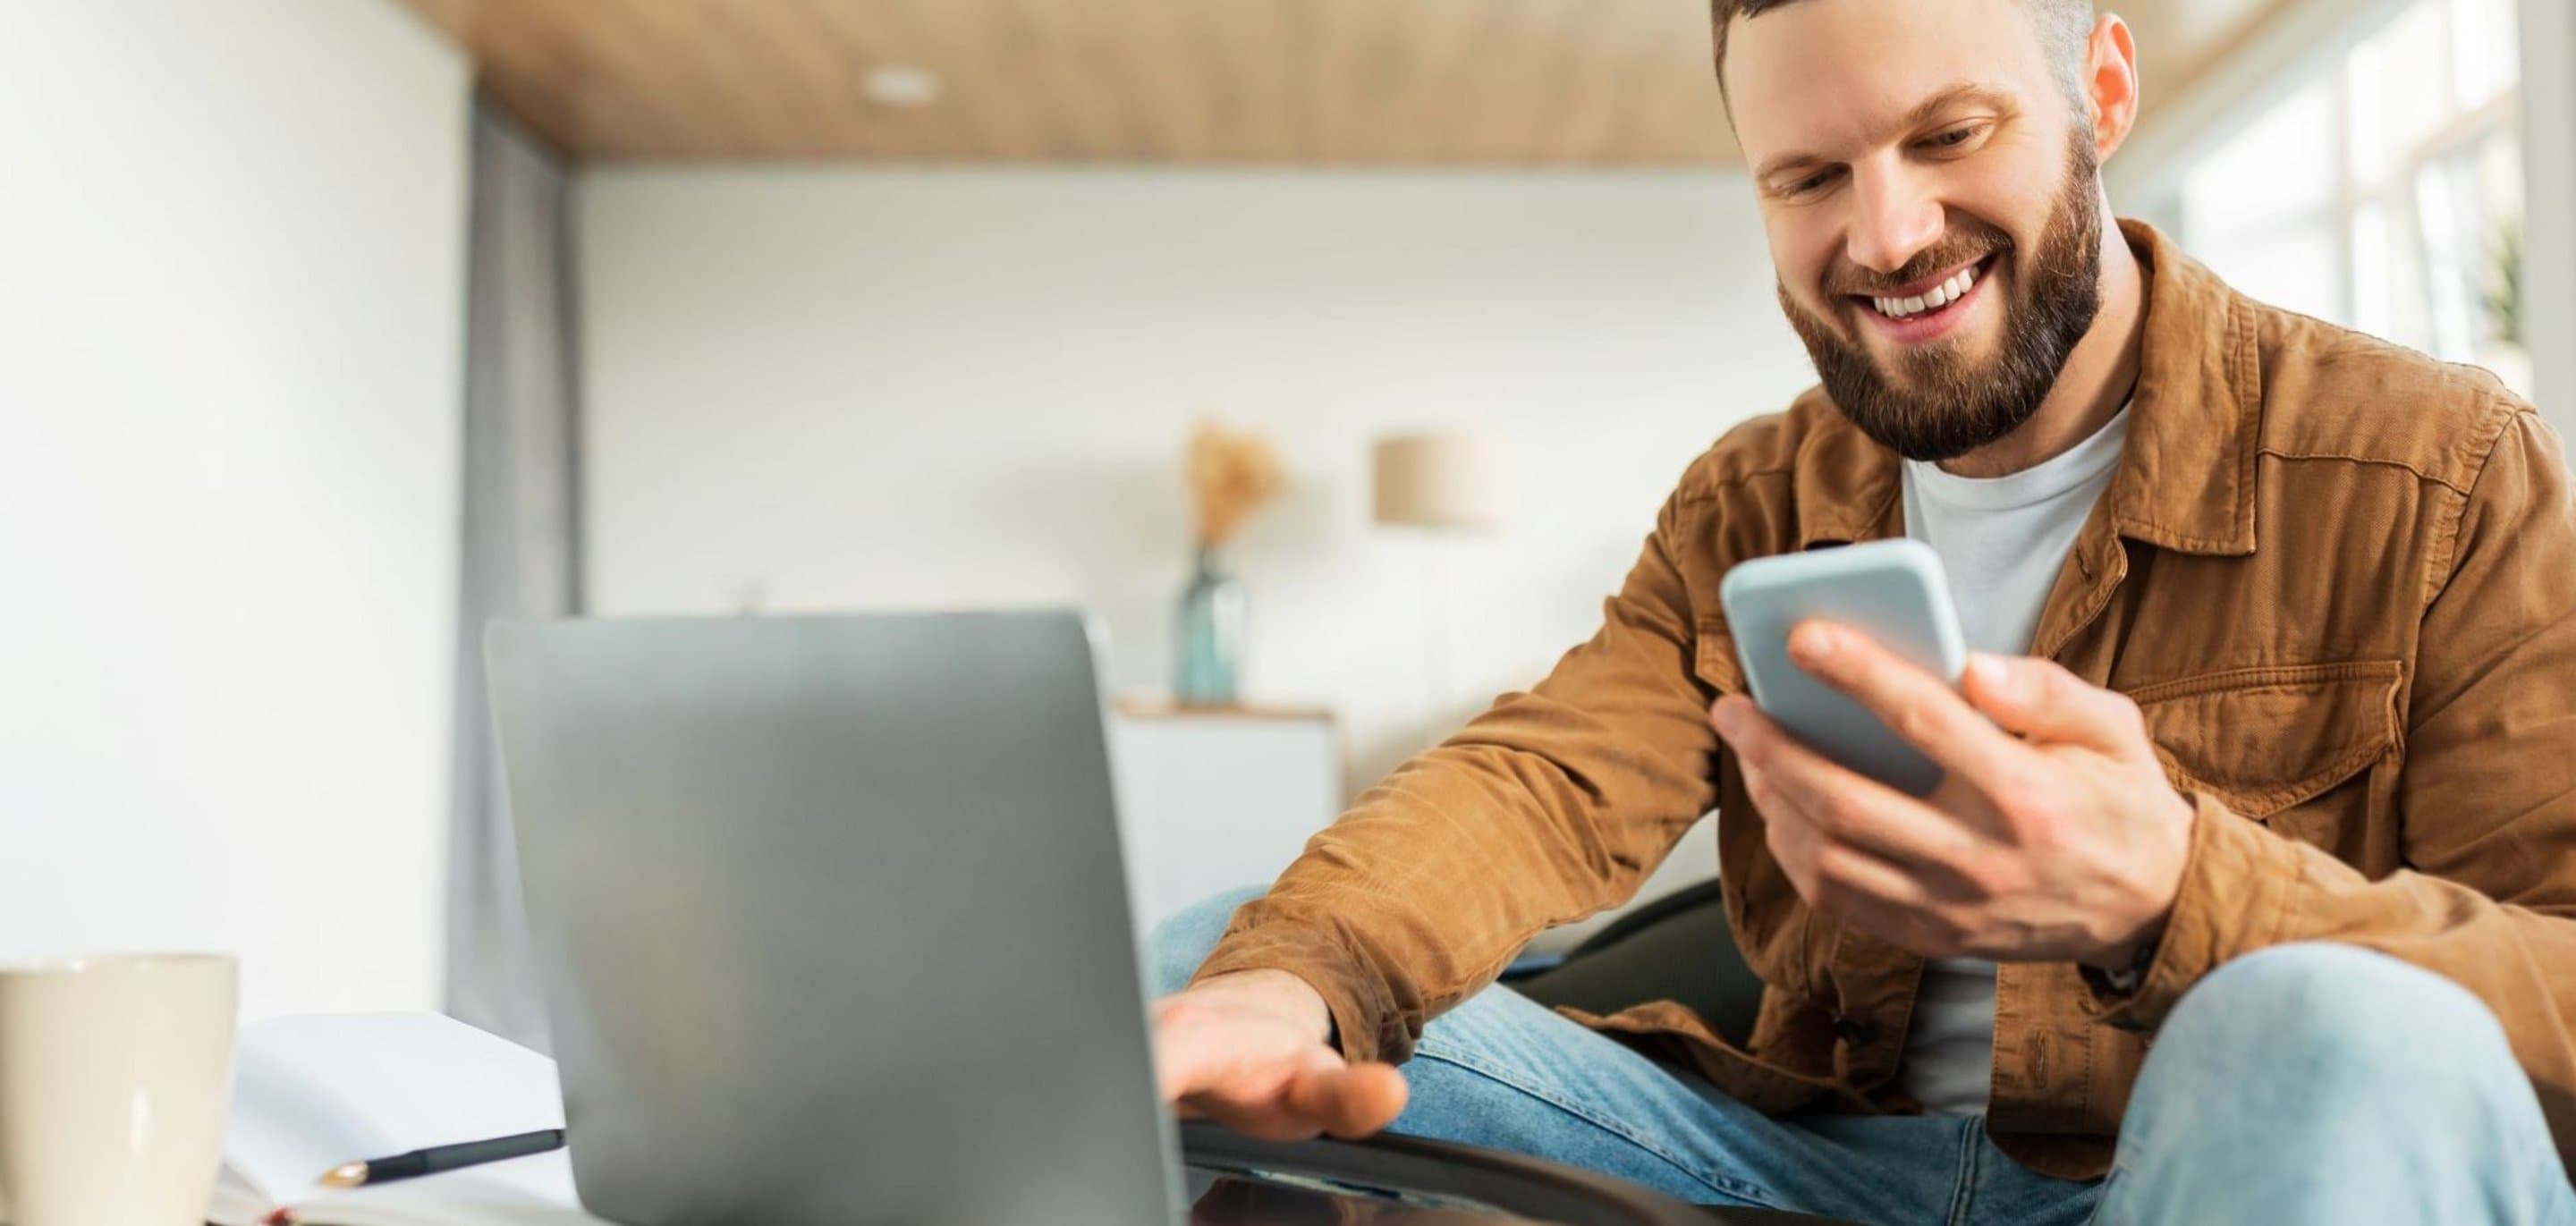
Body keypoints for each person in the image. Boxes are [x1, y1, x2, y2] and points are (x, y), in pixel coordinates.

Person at [1146, 1, 2576, 1222]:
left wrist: (2174, 896)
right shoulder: (1754, 498)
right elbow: (1543, 778)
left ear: (2106, 92)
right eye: (1807, 176)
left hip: (2188, 1171)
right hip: (1815, 1172)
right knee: (1217, 974)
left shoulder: (2436, 471)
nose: (1886, 235)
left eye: (1951, 137)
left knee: (2321, 1026)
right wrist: (1299, 988)